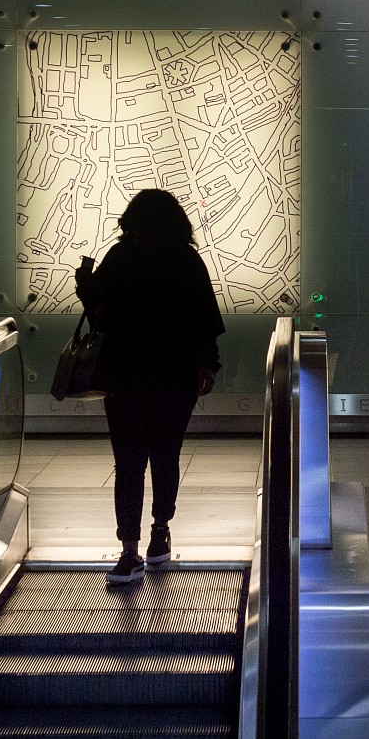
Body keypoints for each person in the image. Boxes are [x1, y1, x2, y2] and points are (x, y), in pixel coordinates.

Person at [74, 189, 225, 584]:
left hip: (125, 371)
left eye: (147, 232)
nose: (143, 239)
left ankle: (135, 547)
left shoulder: (120, 257)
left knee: (130, 460)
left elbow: (101, 316)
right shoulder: (185, 260)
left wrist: (88, 289)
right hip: (174, 372)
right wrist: (206, 365)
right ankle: (154, 534)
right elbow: (205, 321)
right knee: (162, 454)